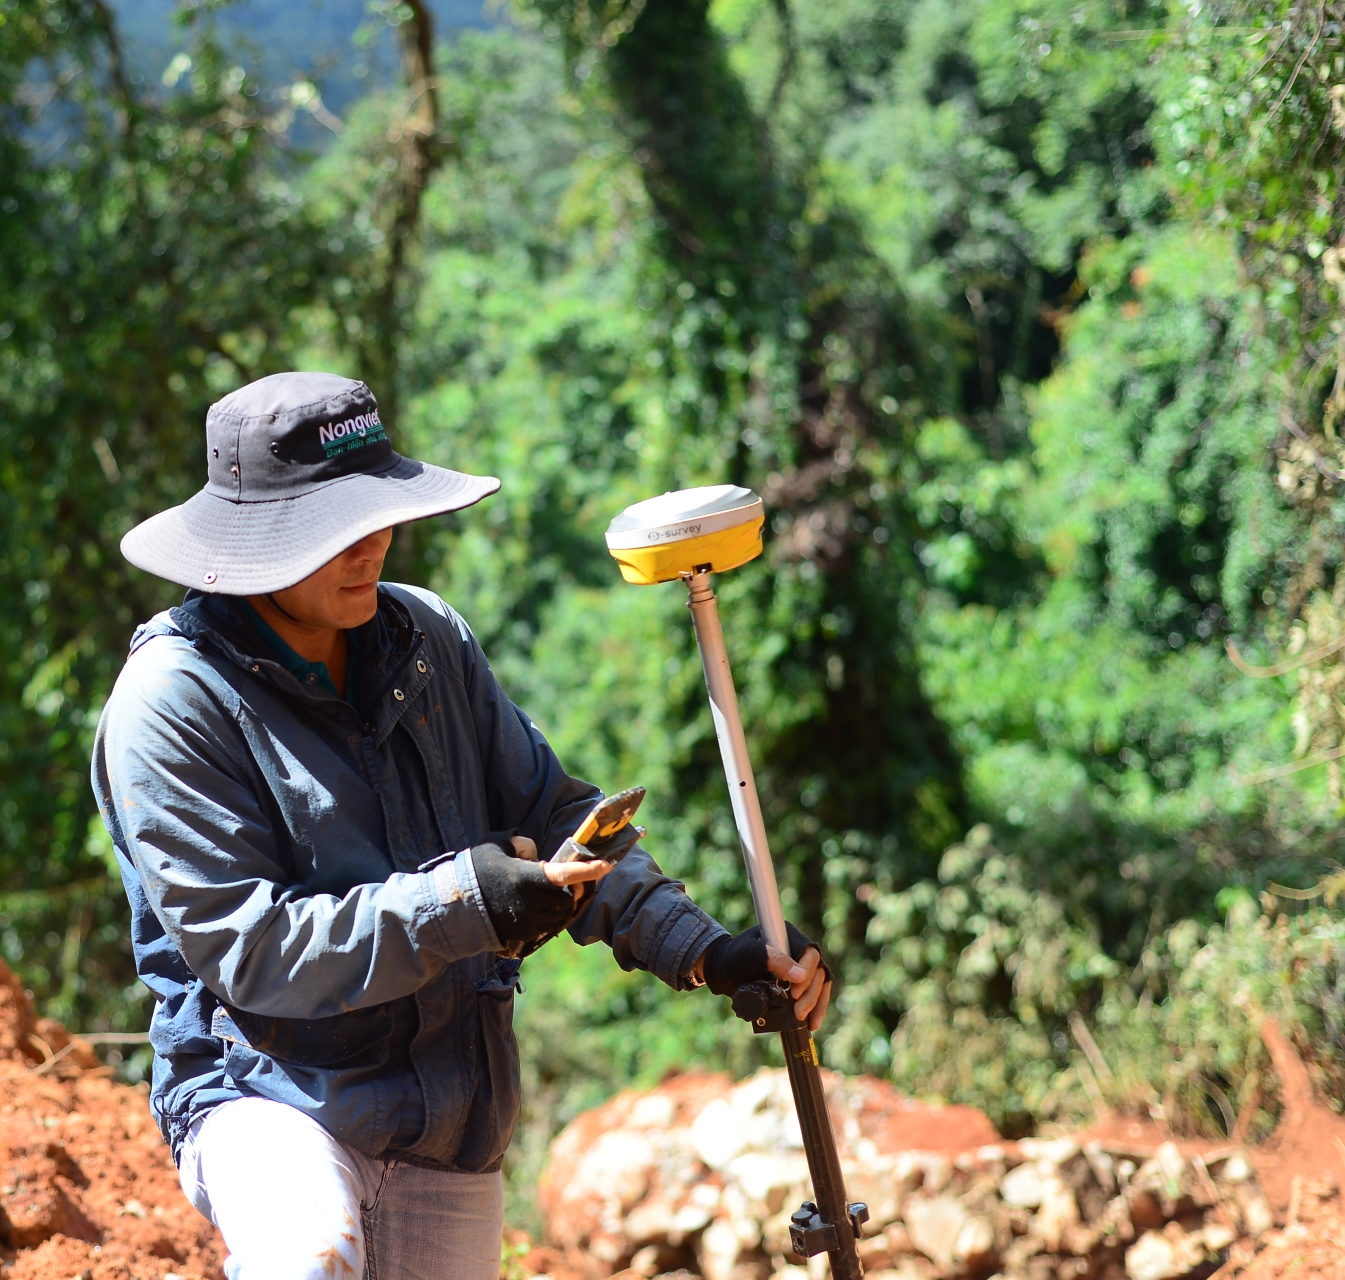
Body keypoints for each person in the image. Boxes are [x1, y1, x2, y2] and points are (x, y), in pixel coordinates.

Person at [92, 372, 832, 1280]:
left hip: (453, 1110)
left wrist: (708, 951)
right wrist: (463, 903)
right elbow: (254, 949)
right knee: (307, 1258)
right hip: (268, 1095)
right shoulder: (172, 703)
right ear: (254, 542)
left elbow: (559, 819)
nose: (373, 546)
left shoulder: (427, 641)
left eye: (380, 517)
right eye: (336, 530)